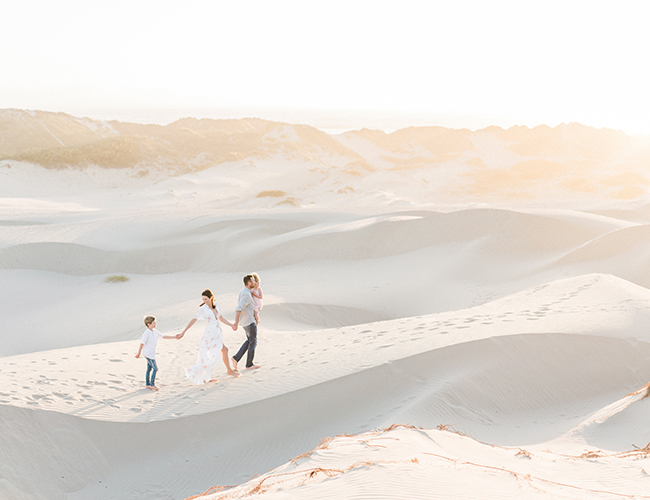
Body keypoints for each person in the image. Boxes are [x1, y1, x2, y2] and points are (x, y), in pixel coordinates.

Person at [178, 289, 239, 384]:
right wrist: (183, 332)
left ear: (211, 298)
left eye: (206, 299)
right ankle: (228, 371)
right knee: (221, 351)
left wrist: (231, 325)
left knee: (219, 353)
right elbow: (194, 320)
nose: (204, 301)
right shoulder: (203, 309)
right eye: (203, 299)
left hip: (216, 333)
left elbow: (220, 318)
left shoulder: (217, 305)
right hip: (210, 334)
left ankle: (209, 375)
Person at [135, 315, 178, 391]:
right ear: (148, 324)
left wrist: (174, 337)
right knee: (155, 368)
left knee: (149, 368)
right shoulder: (146, 333)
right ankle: (152, 384)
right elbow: (142, 343)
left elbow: (163, 336)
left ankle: (147, 384)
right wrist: (138, 353)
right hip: (148, 354)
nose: (155, 324)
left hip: (151, 353)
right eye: (153, 323)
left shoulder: (155, 331)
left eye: (155, 322)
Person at [232, 274, 260, 370]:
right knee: (253, 342)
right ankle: (249, 364)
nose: (254, 282)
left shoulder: (244, 291)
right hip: (249, 322)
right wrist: (235, 323)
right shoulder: (246, 294)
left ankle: (236, 358)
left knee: (249, 341)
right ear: (249, 283)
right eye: (253, 281)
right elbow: (239, 308)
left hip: (245, 322)